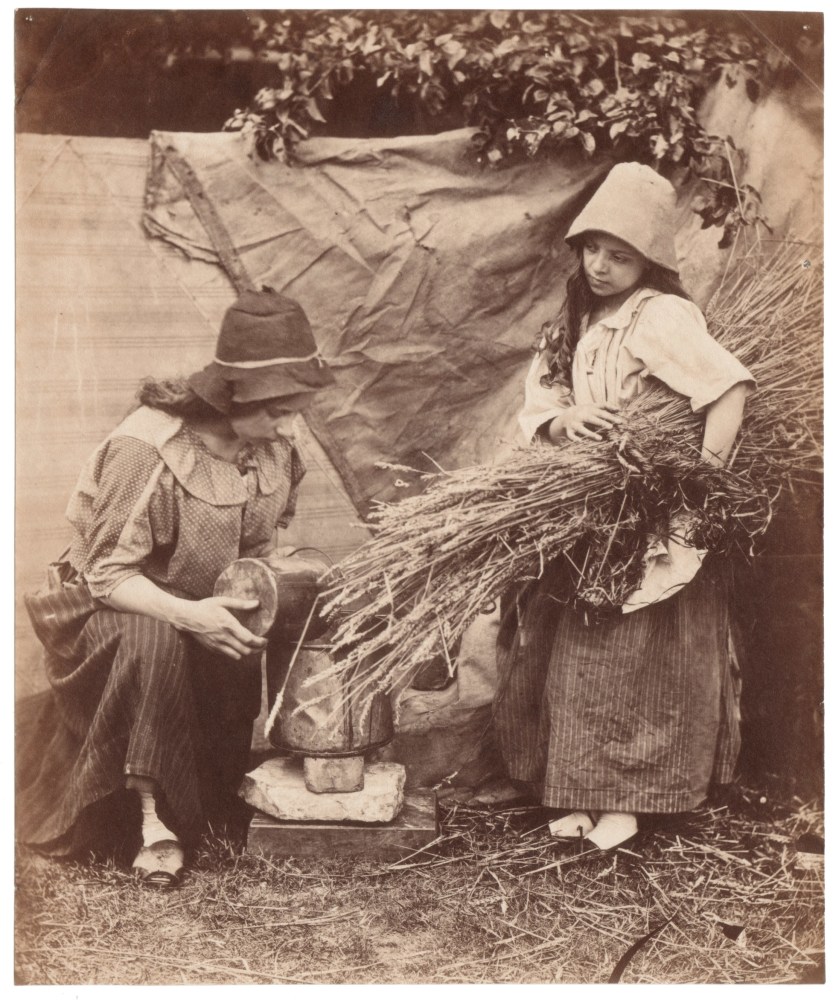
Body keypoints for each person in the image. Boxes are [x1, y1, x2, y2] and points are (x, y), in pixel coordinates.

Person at [16, 289, 335, 887]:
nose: (290, 426)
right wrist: (192, 616)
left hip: (199, 612)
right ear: (234, 394)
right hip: (108, 612)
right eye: (278, 411)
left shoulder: (275, 447)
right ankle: (149, 820)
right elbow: (106, 574)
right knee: (154, 636)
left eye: (299, 408)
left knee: (248, 625)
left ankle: (201, 792)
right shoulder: (148, 447)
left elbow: (257, 548)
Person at [494, 163, 755, 853]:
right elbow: (540, 403)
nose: (601, 266)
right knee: (573, 650)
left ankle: (630, 801)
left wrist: (704, 480)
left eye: (620, 256)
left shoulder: (659, 316)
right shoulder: (576, 321)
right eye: (592, 250)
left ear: (649, 262)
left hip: (649, 508)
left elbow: (727, 388)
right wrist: (564, 423)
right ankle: (572, 789)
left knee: (635, 658)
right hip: (587, 506)